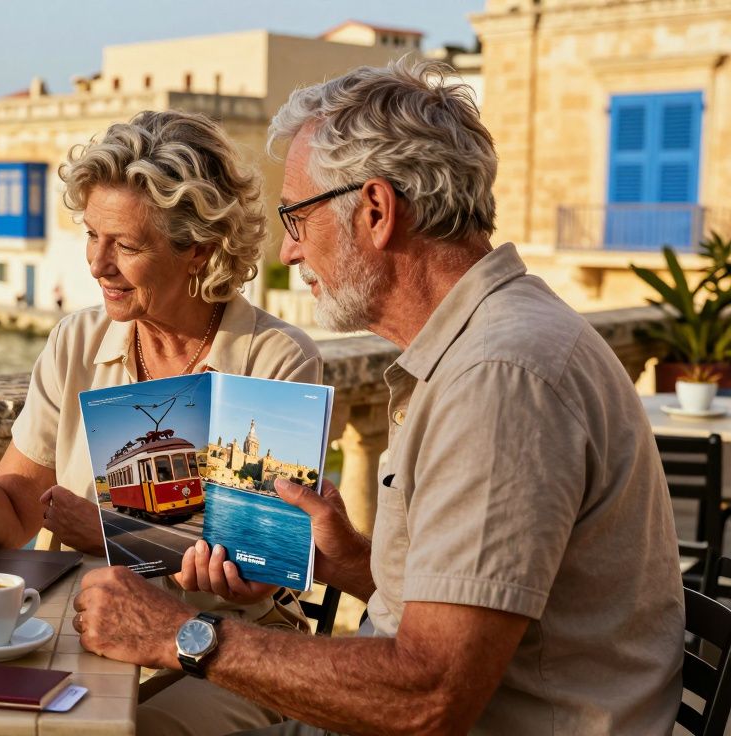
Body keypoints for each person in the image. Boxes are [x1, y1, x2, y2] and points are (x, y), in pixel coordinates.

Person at [71, 60, 684, 735]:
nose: (289, 252)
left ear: (375, 210)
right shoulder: (485, 347)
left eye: (297, 219)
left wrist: (180, 634)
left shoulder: (499, 378)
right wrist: (354, 563)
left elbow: (429, 698)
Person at [0, 111, 323, 716]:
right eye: (90, 234)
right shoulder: (76, 341)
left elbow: (257, 572)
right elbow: (16, 513)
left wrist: (108, 534)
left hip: (225, 651)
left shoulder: (275, 358)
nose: (96, 263)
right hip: (84, 637)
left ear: (199, 251)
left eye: (126, 245)